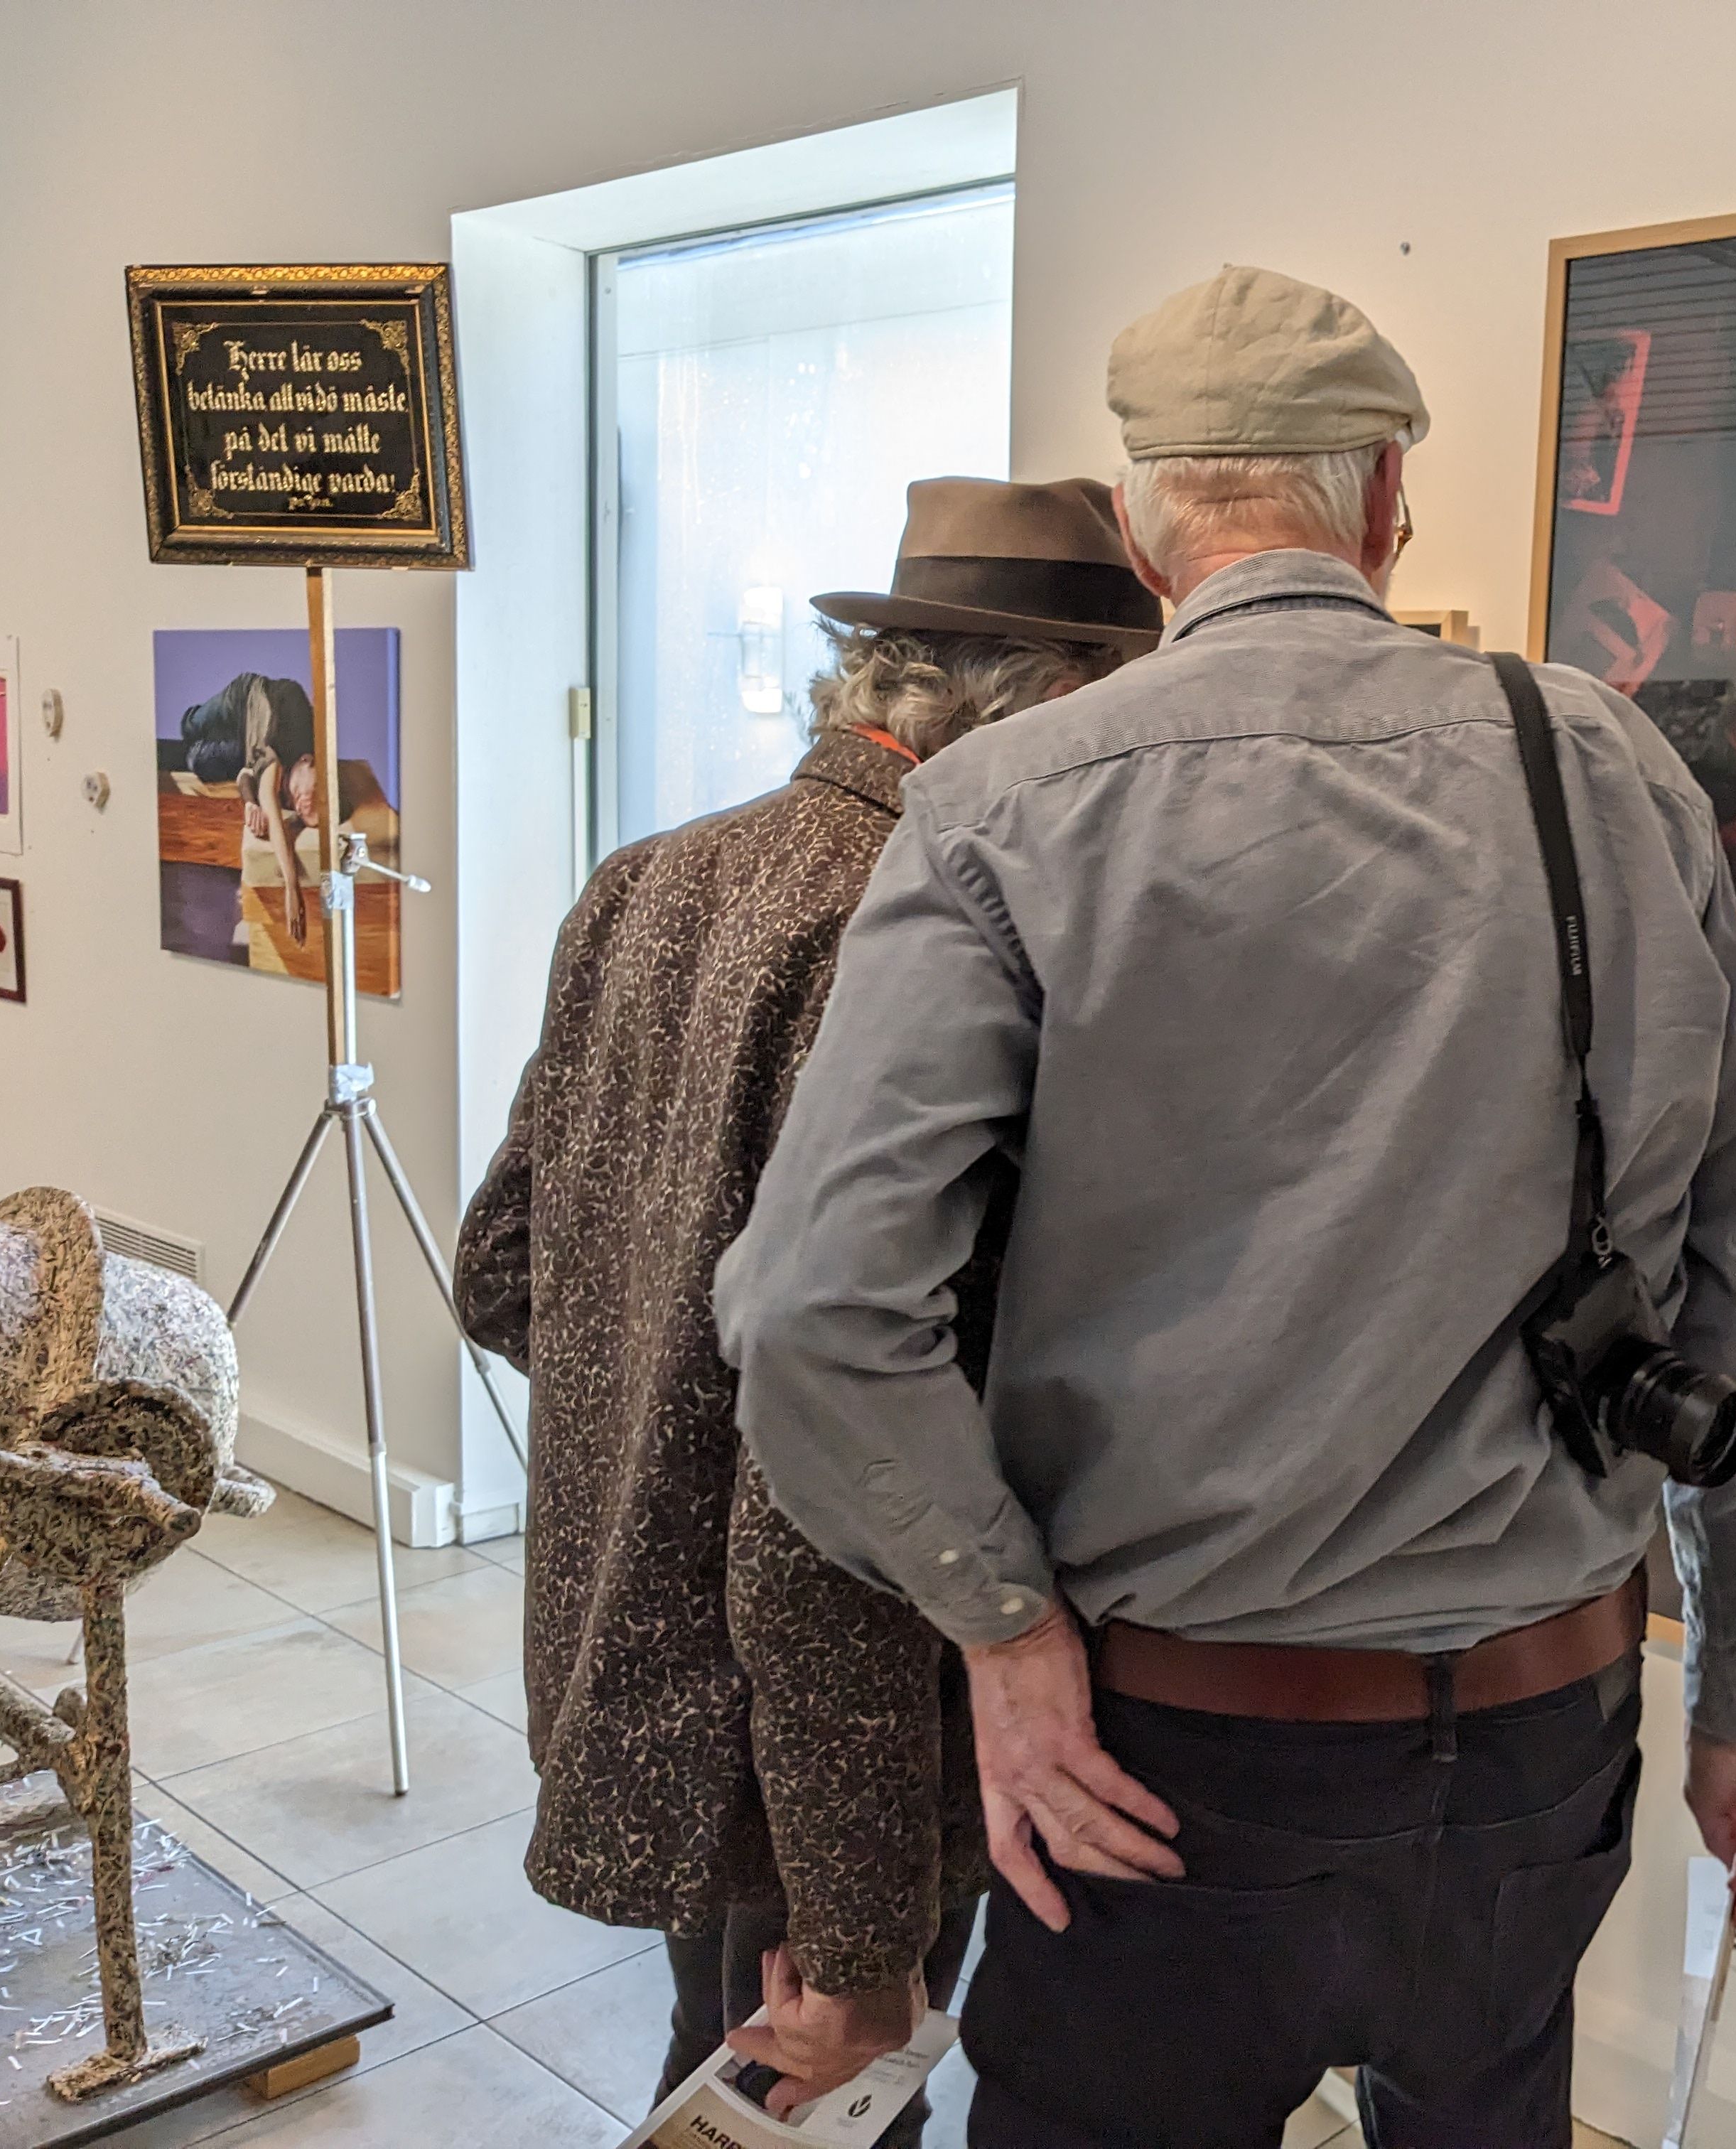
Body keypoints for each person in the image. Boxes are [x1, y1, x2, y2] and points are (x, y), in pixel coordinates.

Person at [718, 266, 1736, 2149]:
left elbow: (819, 1308)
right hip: (1543, 1744)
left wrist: (1002, 1636)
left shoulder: (1007, 806)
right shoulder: (1617, 771)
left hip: (1165, 1766)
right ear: (1389, 500)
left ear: (1152, 524)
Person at [454, 478, 1160, 2123]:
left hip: (651, 1668)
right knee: (821, 2084)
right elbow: (828, 1466)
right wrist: (861, 1924)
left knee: (731, 2075)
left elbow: (504, 1266)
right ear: (1049, 706)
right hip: (828, 1730)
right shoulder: (926, 931)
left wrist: (668, 1410)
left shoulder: (651, 878)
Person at [176, 670, 318, 944]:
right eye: (305, 797)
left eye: (301, 813)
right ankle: (194, 721)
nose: (298, 806)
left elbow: (245, 775)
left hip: (246, 741)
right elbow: (274, 814)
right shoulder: (283, 743)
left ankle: (197, 754)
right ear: (307, 761)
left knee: (198, 762)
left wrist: (250, 802)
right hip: (242, 698)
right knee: (191, 726)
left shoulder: (293, 770)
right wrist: (292, 888)